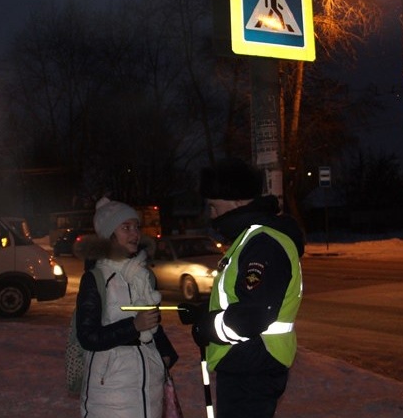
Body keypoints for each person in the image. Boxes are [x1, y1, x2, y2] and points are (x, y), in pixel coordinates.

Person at [187, 157, 305, 418]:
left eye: (214, 207)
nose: (212, 215)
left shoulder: (262, 243)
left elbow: (253, 315)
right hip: (248, 362)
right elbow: (238, 297)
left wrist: (208, 327)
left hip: (254, 364)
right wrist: (203, 311)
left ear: (238, 201)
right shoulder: (250, 239)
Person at [73, 197, 178, 418]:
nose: (135, 233)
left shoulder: (144, 276)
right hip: (110, 392)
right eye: (126, 227)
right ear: (109, 235)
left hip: (149, 388)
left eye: (136, 227)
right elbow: (87, 336)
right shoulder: (96, 278)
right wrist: (133, 326)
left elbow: (152, 324)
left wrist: (165, 354)